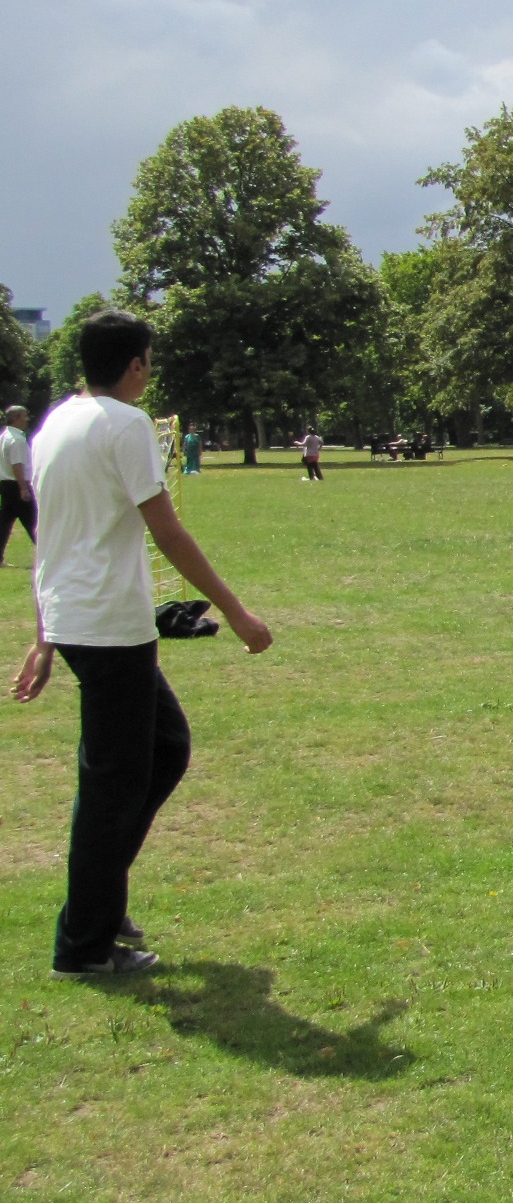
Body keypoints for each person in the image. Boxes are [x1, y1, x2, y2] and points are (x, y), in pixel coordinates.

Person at [11, 310, 272, 980]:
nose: (150, 373)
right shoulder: (125, 425)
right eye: (149, 361)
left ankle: (100, 900)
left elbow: (52, 542)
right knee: (110, 787)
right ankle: (85, 944)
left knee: (164, 750)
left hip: (79, 620)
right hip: (109, 628)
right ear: (135, 366)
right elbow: (169, 532)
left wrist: (44, 638)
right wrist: (237, 612)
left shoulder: (55, 423)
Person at [1, 405, 35, 568]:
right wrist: (23, 488)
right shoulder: (16, 440)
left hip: (7, 484)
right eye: (24, 416)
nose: (27, 419)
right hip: (17, 484)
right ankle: (48, 555)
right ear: (15, 418)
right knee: (33, 520)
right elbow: (17, 465)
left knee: (4, 523)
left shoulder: (4, 436)